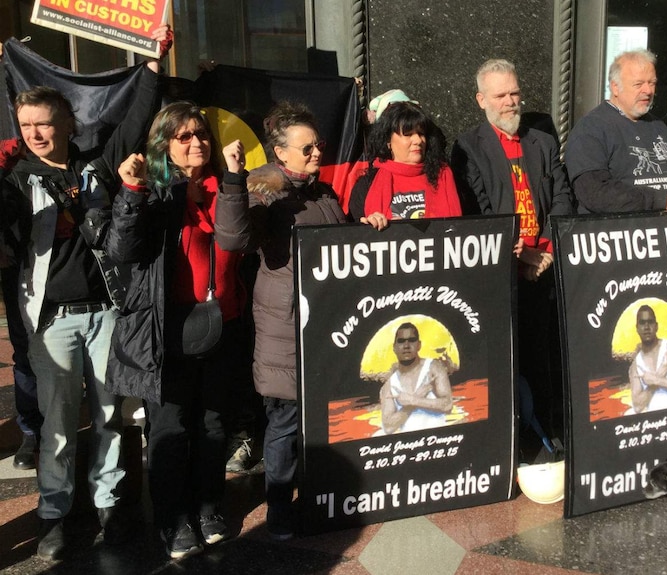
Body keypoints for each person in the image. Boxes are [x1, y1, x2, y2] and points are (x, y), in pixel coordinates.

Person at [0, 25, 172, 560]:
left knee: (110, 416)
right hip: (52, 323)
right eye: (26, 125)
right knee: (55, 425)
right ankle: (54, 515)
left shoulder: (95, 165)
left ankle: (110, 504)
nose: (35, 134)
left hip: (106, 314)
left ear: (66, 123)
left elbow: (138, 119)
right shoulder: (13, 182)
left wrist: (152, 63)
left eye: (44, 124)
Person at [215, 101, 387, 541]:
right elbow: (233, 238)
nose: (316, 153)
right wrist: (235, 179)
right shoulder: (265, 190)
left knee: (327, 419)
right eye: (307, 148)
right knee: (286, 425)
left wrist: (365, 226)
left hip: (330, 328)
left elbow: (342, 249)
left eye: (319, 145)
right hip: (286, 330)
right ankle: (278, 510)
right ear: (280, 152)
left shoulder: (324, 193)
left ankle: (320, 498)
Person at [106, 102, 245, 559]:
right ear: (165, 143)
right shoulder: (153, 191)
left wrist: (234, 178)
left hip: (223, 325)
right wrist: (130, 191)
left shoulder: (225, 184)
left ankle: (208, 507)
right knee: (171, 427)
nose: (196, 142)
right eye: (183, 136)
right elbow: (123, 249)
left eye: (200, 133)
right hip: (168, 331)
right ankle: (172, 518)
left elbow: (237, 240)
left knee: (213, 424)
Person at [451, 58, 573, 436]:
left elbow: (562, 196)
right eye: (501, 95)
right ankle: (510, 438)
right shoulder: (467, 147)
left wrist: (548, 249)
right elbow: (476, 210)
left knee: (545, 358)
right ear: (481, 99)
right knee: (504, 361)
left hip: (546, 266)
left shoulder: (544, 141)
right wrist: (517, 254)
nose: (510, 101)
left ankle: (549, 434)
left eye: (515, 93)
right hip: (502, 271)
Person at [565, 49, 667, 227]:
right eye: (638, 84)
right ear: (615, 87)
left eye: (652, 83)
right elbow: (594, 192)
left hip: (663, 240)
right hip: (616, 242)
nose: (647, 91)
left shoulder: (659, 126)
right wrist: (660, 200)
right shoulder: (592, 129)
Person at [0, 135, 41, 471]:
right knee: (25, 352)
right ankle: (31, 430)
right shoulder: (8, 161)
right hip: (16, 268)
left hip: (58, 264)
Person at [349, 101, 461, 221]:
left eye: (421, 133)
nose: (418, 140)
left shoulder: (444, 175)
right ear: (388, 141)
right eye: (408, 134)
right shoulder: (366, 185)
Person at [379, 323, 454, 434]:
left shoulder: (433, 368)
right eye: (401, 341)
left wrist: (412, 400)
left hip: (439, 440)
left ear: (419, 345)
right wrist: (415, 399)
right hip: (411, 445)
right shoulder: (389, 385)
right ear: (394, 347)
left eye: (411, 340)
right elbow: (389, 428)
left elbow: (448, 405)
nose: (406, 345)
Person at [628, 305, 667, 414]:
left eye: (650, 322)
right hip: (654, 422)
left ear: (656, 326)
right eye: (642, 323)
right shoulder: (635, 366)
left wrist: (655, 380)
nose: (646, 327)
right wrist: (659, 376)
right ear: (637, 328)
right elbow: (637, 407)